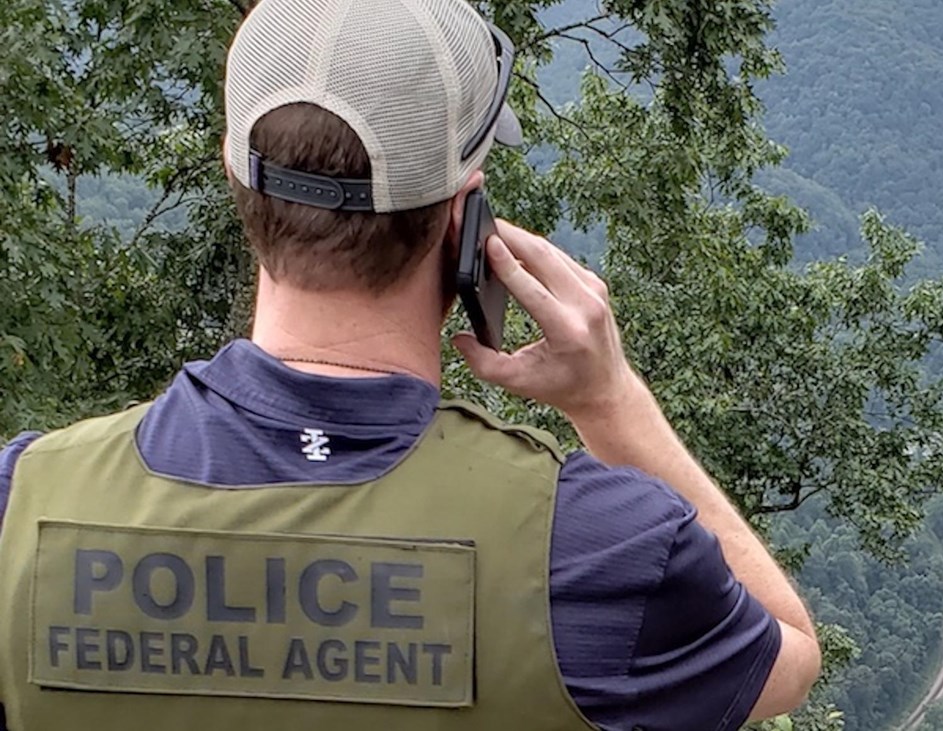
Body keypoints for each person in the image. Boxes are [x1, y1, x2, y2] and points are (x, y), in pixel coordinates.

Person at [0, 0, 821, 728]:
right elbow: (788, 656)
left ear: (234, 170)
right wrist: (609, 399)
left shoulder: (22, 504)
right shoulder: (602, 550)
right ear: (467, 217)